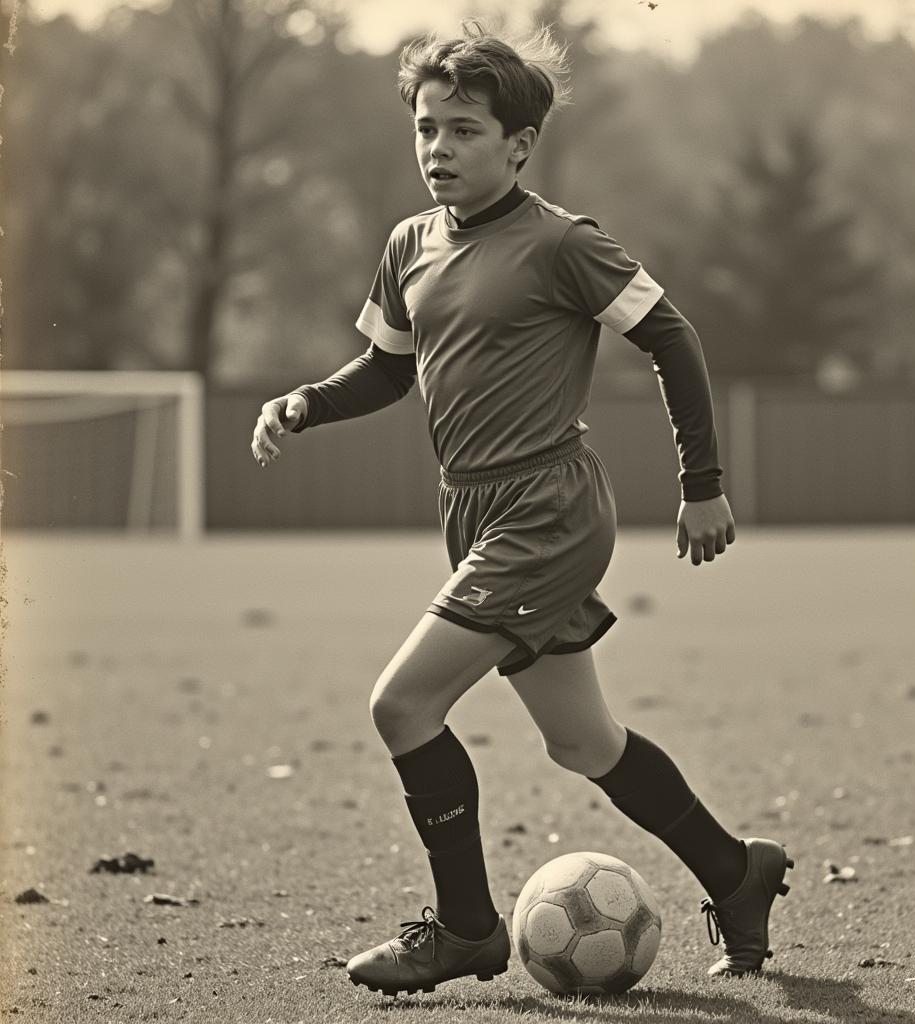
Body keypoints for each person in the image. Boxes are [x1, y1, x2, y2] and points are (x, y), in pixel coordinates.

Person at [250, 20, 792, 997]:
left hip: (547, 513)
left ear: (517, 144)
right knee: (581, 741)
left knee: (402, 703)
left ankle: (465, 928)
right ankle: (734, 869)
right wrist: (305, 403)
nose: (438, 149)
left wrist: (701, 482)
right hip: (476, 515)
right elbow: (386, 366)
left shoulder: (559, 243)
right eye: (426, 128)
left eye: (462, 130)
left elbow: (674, 337)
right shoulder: (408, 244)